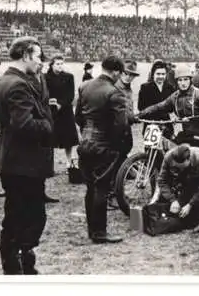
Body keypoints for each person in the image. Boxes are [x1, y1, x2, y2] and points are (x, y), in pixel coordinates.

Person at [0, 36, 54, 275]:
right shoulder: (18, 85)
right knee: (27, 215)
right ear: (26, 55)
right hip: (23, 163)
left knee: (19, 214)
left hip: (15, 161)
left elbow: (0, 122)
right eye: (38, 56)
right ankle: (16, 265)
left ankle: (21, 261)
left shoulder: (4, 81)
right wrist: (48, 125)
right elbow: (25, 124)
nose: (40, 62)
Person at [74, 56, 128, 244]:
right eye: (119, 73)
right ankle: (99, 232)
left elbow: (78, 117)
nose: (119, 77)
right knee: (101, 188)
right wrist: (116, 146)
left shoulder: (85, 86)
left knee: (90, 188)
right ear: (115, 71)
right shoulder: (115, 92)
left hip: (85, 144)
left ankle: (92, 230)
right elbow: (120, 125)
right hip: (104, 145)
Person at [136, 65, 199, 151]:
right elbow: (158, 107)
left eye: (186, 79)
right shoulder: (175, 97)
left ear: (190, 80)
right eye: (180, 80)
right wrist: (139, 115)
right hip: (187, 135)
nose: (183, 83)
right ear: (177, 82)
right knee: (173, 154)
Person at [154, 144, 199, 232]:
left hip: (198, 179)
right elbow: (162, 180)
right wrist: (173, 200)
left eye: (181, 166)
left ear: (188, 159)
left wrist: (190, 204)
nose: (179, 167)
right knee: (166, 205)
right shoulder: (168, 157)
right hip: (182, 180)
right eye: (176, 166)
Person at [113, 60, 140, 206]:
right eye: (126, 73)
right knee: (115, 161)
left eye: (132, 75)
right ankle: (113, 194)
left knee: (122, 158)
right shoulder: (115, 87)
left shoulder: (128, 89)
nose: (128, 77)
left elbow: (129, 108)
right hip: (116, 129)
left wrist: (133, 117)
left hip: (126, 129)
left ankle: (119, 192)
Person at [45, 55, 79, 170]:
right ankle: (49, 165)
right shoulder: (45, 77)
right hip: (51, 110)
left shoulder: (69, 77)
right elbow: (45, 93)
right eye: (57, 64)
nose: (60, 66)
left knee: (68, 138)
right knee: (49, 137)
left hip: (65, 111)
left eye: (61, 63)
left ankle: (69, 162)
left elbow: (70, 95)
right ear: (52, 65)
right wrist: (51, 103)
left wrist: (61, 104)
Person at [138, 61, 176, 139]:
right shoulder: (145, 88)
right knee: (151, 150)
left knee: (168, 149)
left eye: (163, 74)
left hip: (167, 125)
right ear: (153, 74)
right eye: (158, 74)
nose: (161, 76)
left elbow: (173, 106)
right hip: (151, 125)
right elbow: (141, 107)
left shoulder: (170, 88)